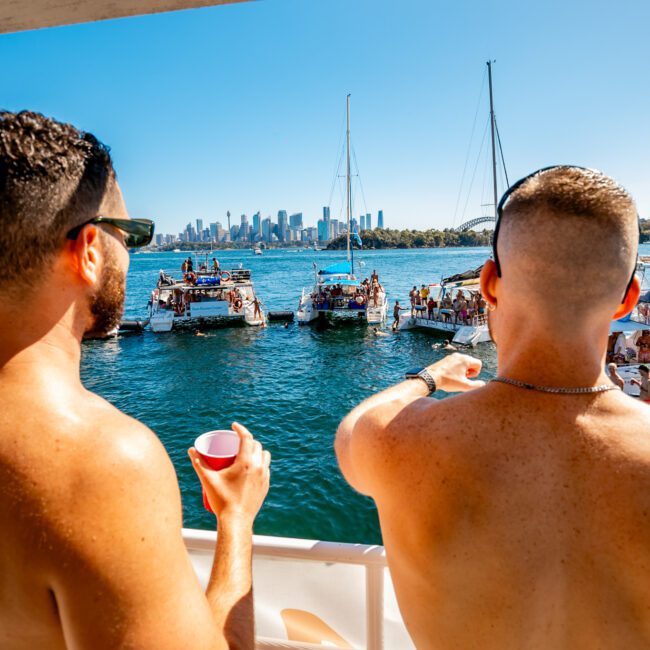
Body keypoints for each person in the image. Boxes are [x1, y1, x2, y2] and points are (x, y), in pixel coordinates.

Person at [335, 166, 650, 649]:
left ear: (488, 283)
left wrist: (426, 380)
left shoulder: (396, 440)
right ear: (627, 299)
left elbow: (351, 431)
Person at [0, 111, 271, 648]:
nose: (135, 253)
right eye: (134, 234)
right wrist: (237, 519)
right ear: (90, 250)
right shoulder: (102, 462)